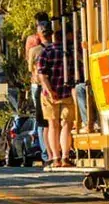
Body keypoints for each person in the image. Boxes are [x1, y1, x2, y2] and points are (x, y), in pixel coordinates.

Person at [38, 28, 74, 168]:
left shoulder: (46, 52)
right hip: (67, 93)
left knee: (53, 125)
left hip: (50, 95)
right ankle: (65, 156)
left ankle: (55, 158)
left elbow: (42, 75)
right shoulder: (70, 52)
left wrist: (49, 90)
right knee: (67, 124)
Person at [28, 20, 53, 165]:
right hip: (56, 84)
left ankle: (47, 154)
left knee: (43, 123)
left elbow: (30, 68)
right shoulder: (58, 48)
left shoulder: (34, 50)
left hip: (39, 86)